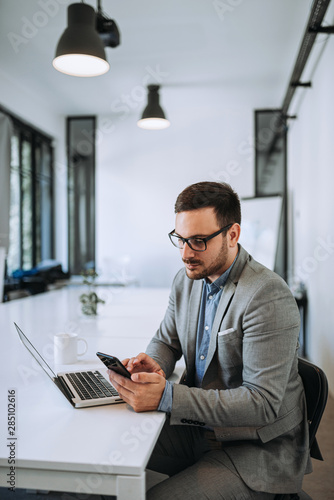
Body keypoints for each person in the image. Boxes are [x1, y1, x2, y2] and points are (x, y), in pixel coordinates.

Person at [108, 181, 310, 499]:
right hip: (199, 428)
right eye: (180, 239)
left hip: (255, 447)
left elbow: (262, 404)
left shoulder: (266, 294)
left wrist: (167, 398)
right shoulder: (187, 279)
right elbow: (167, 339)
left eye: (199, 241)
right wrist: (153, 363)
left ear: (232, 235)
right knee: (109, 449)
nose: (186, 254)